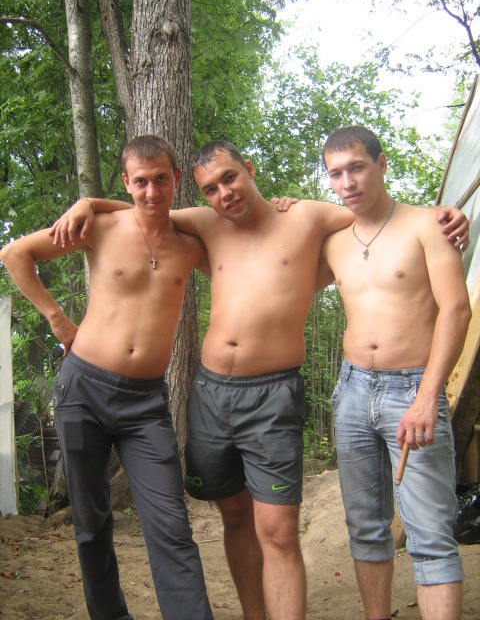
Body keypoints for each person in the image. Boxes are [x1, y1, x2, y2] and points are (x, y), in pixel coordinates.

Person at [50, 140, 469, 620]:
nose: (224, 193)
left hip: (274, 395)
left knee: (279, 532)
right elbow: (146, 207)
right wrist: (89, 203)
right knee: (233, 515)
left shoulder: (308, 216)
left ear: (248, 169)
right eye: (211, 188)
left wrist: (442, 216)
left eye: (230, 177)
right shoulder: (204, 223)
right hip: (211, 393)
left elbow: (375, 212)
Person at [0, 135, 214, 620]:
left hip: (145, 404)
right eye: (141, 181)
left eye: (161, 179)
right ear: (126, 182)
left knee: (171, 524)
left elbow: (243, 246)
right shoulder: (99, 227)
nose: (152, 191)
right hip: (83, 390)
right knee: (91, 522)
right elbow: (14, 254)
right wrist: (58, 320)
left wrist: (281, 208)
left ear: (177, 178)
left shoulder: (190, 245)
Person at [316, 125, 471, 620]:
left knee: (430, 536)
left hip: (413, 388)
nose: (347, 182)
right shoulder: (333, 241)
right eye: (335, 173)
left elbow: (457, 310)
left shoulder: (428, 225)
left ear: (381, 165)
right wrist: (282, 207)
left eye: (357, 168)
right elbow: (277, 265)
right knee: (365, 528)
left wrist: (427, 396)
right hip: (352, 389)